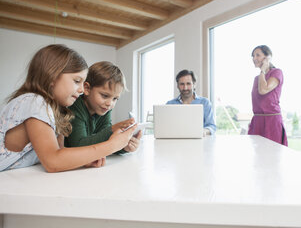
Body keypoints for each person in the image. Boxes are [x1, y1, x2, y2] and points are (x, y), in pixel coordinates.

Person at [0, 44, 137, 172]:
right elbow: (53, 161)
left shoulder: (57, 111)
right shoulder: (35, 102)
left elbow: (61, 152)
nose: (82, 89)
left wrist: (83, 160)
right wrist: (112, 146)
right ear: (52, 76)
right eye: (77, 81)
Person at [64, 61, 142, 154]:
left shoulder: (104, 109)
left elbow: (106, 142)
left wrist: (124, 147)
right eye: (105, 96)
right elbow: (78, 145)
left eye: (115, 98)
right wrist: (112, 129)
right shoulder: (75, 107)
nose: (110, 103)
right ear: (87, 89)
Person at [248, 45, 287, 146]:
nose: (254, 58)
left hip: (271, 121)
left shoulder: (277, 72)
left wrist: (263, 70)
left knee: (272, 155)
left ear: (267, 57)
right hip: (257, 121)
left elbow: (263, 90)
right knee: (256, 156)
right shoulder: (257, 78)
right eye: (253, 56)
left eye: (258, 55)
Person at [167, 69, 216, 136]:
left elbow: (212, 126)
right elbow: (166, 127)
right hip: (176, 141)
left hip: (199, 142)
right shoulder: (170, 105)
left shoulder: (205, 103)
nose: (185, 88)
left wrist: (204, 131)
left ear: (194, 84)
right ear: (177, 86)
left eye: (188, 83)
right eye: (182, 84)